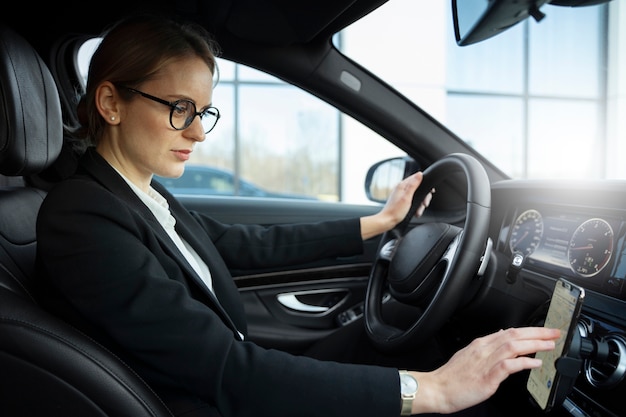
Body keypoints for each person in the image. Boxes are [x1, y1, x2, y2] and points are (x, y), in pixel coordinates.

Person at [35, 13, 559, 417]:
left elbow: (250, 244)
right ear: (110, 102)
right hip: (208, 400)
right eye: (179, 108)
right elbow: (224, 371)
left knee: (375, 342)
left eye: (203, 112)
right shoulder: (81, 215)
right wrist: (435, 389)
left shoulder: (141, 196)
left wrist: (377, 224)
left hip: (227, 383)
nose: (196, 132)